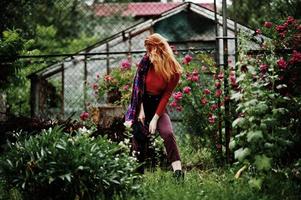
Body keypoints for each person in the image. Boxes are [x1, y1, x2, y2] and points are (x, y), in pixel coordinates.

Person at [124, 33, 184, 180]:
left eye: (149, 50)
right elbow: (139, 90)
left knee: (168, 133)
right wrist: (141, 112)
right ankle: (137, 176)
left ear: (157, 50)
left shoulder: (174, 71)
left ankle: (178, 173)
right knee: (139, 137)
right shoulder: (146, 63)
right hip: (142, 105)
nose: (147, 53)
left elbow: (166, 96)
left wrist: (155, 118)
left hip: (158, 107)